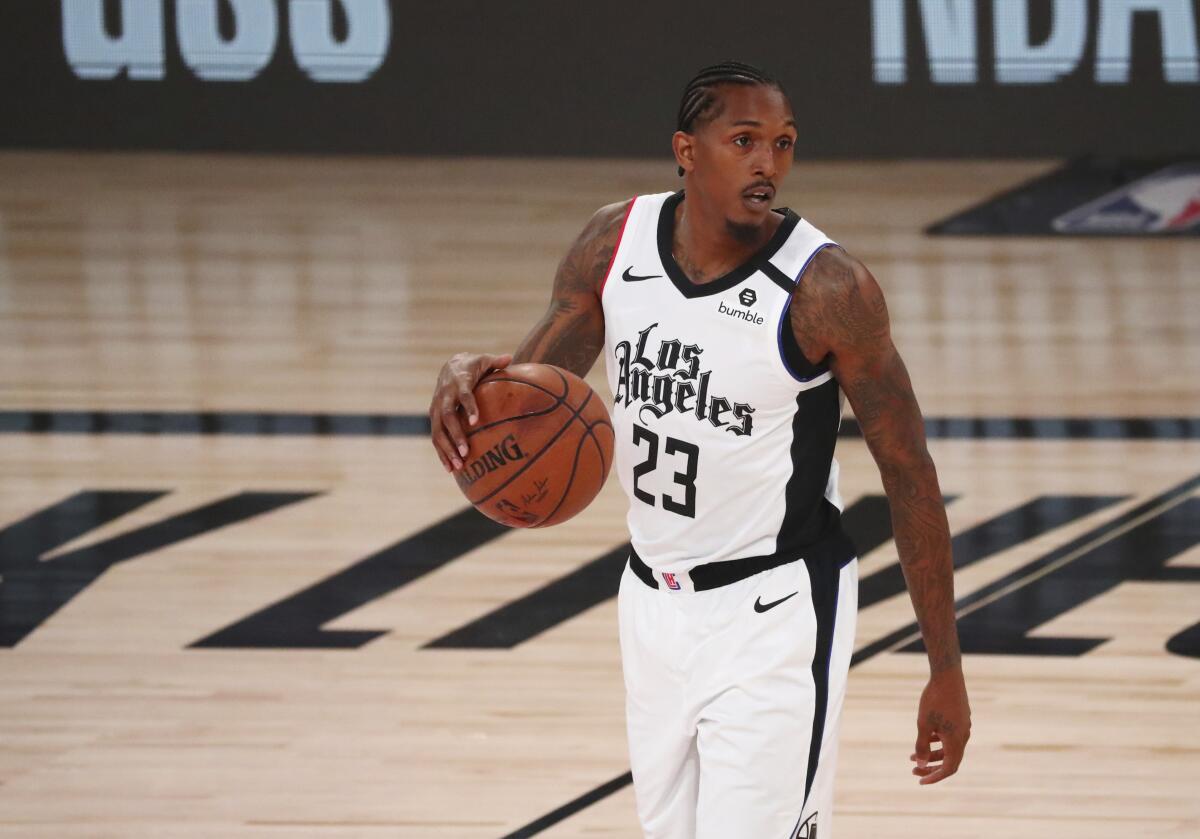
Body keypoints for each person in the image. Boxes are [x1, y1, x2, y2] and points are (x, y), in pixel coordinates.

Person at [429, 61, 970, 839]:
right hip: (650, 603)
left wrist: (945, 666)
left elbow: (910, 474)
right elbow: (528, 404)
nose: (768, 163)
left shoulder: (826, 290)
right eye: (744, 140)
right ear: (687, 150)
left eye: (782, 143)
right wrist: (464, 382)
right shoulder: (613, 244)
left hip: (775, 612)